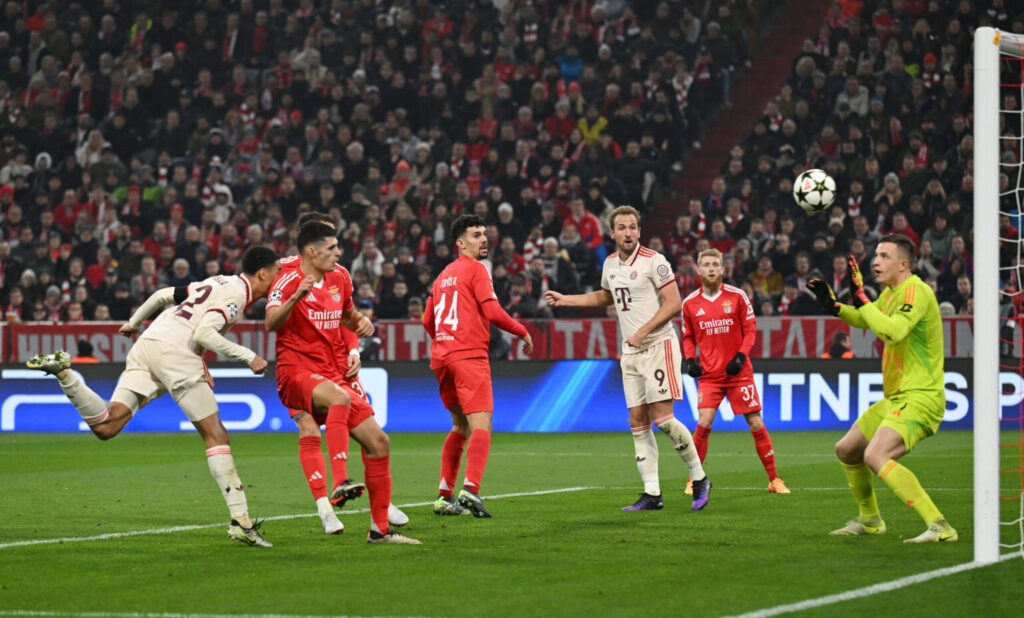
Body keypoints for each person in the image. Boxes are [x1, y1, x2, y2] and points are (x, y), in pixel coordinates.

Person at [26, 246, 282, 547]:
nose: (280, 279)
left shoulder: (218, 281)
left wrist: (134, 323)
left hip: (149, 342)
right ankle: (241, 522)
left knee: (107, 425)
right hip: (176, 352)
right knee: (216, 435)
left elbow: (162, 295)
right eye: (277, 272)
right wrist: (249, 356)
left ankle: (65, 374)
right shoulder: (237, 296)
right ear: (262, 273)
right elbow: (203, 334)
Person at [545, 206, 711, 511]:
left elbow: (674, 303)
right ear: (612, 233)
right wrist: (566, 299)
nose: (628, 232)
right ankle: (652, 493)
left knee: (663, 418)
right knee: (637, 420)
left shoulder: (654, 261)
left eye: (633, 227)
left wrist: (643, 331)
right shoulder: (610, 264)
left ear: (639, 231)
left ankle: (699, 478)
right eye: (622, 228)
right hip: (631, 352)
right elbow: (605, 296)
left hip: (658, 345)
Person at [265, 222, 419, 544]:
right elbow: (271, 322)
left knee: (379, 442)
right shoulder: (288, 277)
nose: (339, 252)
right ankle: (338, 484)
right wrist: (296, 297)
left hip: (332, 369)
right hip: (296, 371)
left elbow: (347, 314)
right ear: (312, 251)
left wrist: (360, 323)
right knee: (333, 405)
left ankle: (379, 531)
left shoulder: (340, 277)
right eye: (332, 247)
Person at [807, 235, 957, 542]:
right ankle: (870, 520)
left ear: (903, 263)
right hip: (897, 398)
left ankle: (940, 526)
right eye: (876, 255)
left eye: (885, 256)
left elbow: (894, 331)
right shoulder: (891, 294)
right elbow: (867, 318)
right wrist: (836, 307)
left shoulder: (915, 291)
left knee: (875, 455)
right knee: (847, 449)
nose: (876, 261)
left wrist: (862, 299)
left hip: (921, 397)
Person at [422, 214, 535, 517]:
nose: (483, 239)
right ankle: (470, 489)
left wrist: (445, 342)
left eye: (484, 233)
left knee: (459, 426)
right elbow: (493, 311)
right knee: (481, 425)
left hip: (443, 358)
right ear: (460, 243)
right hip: (469, 356)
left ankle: (444, 496)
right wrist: (521, 331)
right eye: (475, 235)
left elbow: (428, 320)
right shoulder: (477, 269)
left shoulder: (443, 275)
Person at [681, 249, 791, 495]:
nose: (711, 268)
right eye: (706, 264)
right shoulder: (689, 303)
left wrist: (740, 357)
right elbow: (687, 336)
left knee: (755, 422)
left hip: (738, 374)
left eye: (715, 264)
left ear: (723, 269)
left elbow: (750, 330)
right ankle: (694, 480)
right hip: (710, 376)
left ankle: (774, 480)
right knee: (703, 423)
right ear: (698, 270)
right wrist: (689, 360)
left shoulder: (738, 296)